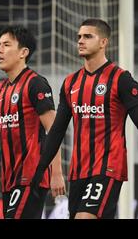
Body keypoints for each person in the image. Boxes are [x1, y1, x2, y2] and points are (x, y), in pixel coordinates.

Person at [31, 18, 138, 219]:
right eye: (79, 36)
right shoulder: (71, 83)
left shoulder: (120, 79)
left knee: (85, 217)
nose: (80, 40)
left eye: (88, 36)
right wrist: (41, 169)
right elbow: (57, 131)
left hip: (107, 166)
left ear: (103, 42)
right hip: (78, 170)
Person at [0, 25, 66, 219]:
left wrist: (56, 173)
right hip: (9, 179)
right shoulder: (0, 90)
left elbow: (53, 129)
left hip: (32, 175)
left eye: (6, 45)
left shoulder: (35, 83)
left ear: (23, 52)